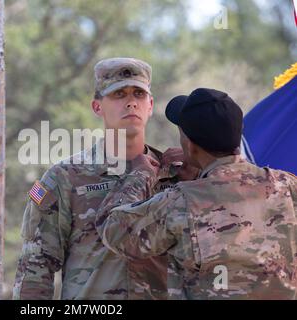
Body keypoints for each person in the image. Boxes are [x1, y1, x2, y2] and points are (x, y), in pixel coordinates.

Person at [96, 87, 297, 299]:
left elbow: (114, 230)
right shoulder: (286, 185)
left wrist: (140, 174)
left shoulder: (181, 201)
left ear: (190, 146)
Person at [13, 57, 186, 300]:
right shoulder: (64, 178)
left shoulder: (176, 174)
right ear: (97, 107)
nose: (131, 103)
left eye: (138, 93)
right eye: (119, 94)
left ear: (150, 105)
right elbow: (35, 269)